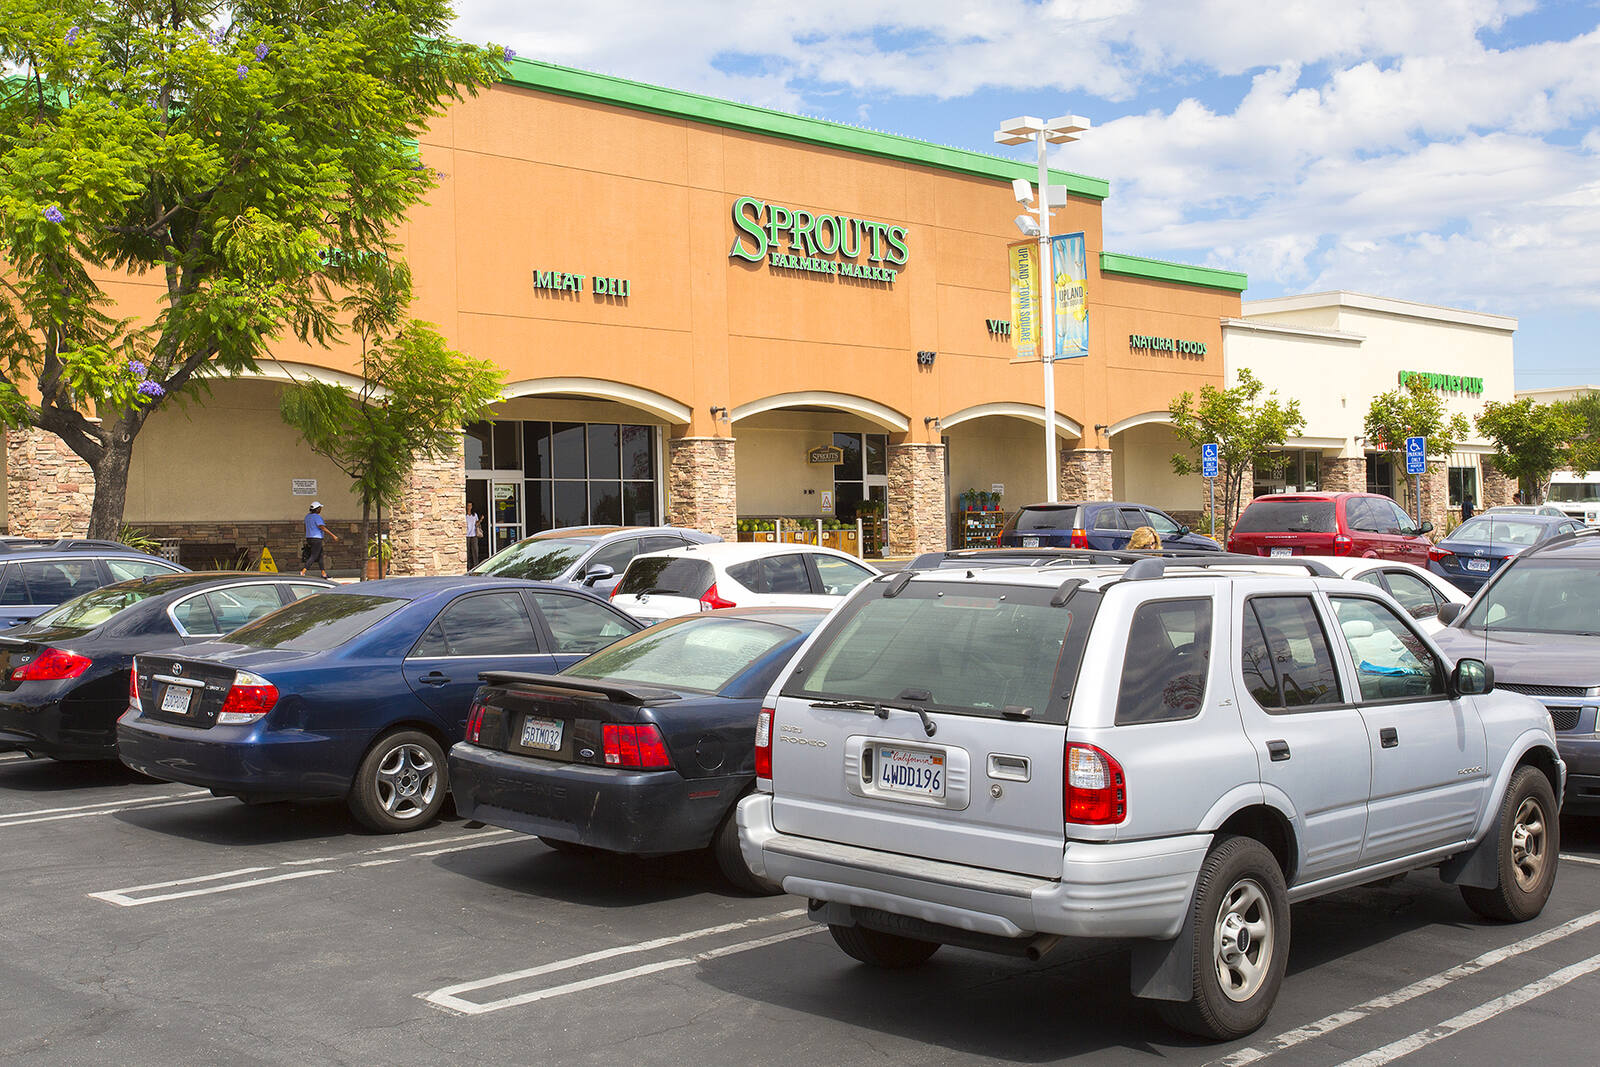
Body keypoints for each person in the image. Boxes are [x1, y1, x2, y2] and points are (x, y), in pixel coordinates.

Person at [298, 501, 339, 578]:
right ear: (317, 509)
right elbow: (321, 527)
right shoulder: (317, 517)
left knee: (320, 556)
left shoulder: (307, 517)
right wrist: (333, 535)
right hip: (317, 539)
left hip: (309, 538)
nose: (320, 510)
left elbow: (305, 528)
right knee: (314, 556)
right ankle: (303, 571)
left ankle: (323, 574)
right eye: (320, 508)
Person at [466, 501, 484, 569]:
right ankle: (468, 566)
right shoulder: (464, 515)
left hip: (474, 535)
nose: (469, 507)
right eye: (468, 505)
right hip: (466, 535)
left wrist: (481, 520)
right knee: (467, 552)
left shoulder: (474, 515)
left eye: (470, 506)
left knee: (475, 551)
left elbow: (477, 524)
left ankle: (476, 566)